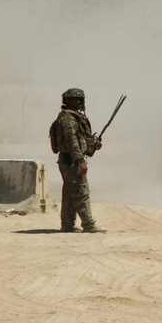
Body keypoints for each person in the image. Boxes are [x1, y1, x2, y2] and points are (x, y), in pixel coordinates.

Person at [54, 88, 106, 233]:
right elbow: (72, 141)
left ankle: (67, 224)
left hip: (70, 158)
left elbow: (80, 138)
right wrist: (80, 160)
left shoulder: (73, 117)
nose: (78, 102)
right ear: (67, 101)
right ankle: (88, 225)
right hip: (71, 159)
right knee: (80, 191)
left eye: (80, 100)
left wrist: (93, 144)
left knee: (70, 193)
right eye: (74, 100)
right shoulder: (68, 119)